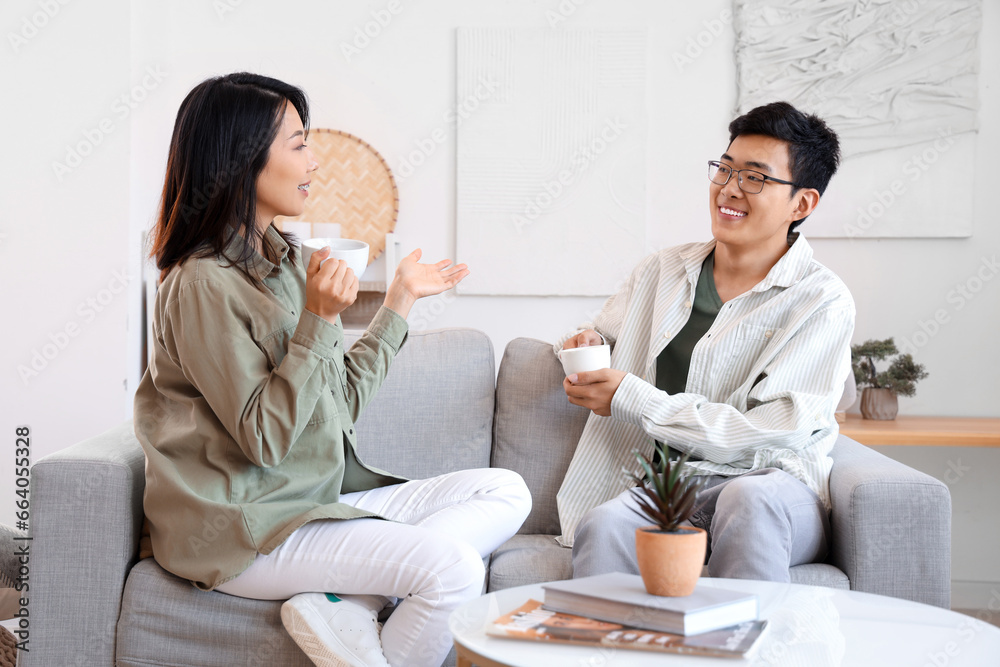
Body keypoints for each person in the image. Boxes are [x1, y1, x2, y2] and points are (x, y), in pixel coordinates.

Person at [133, 72, 531, 667]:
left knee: (505, 488)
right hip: (246, 528)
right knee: (452, 570)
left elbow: (337, 404)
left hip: (311, 502)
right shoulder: (201, 284)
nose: (314, 162)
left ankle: (347, 605)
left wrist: (397, 303)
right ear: (242, 159)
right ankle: (355, 603)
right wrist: (319, 318)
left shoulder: (291, 261)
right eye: (298, 144)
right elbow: (265, 438)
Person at [555, 101, 854, 582]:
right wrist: (582, 343)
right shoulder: (663, 271)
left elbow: (774, 432)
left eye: (755, 177)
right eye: (726, 169)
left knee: (748, 499)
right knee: (605, 524)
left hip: (770, 484)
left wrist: (634, 398)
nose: (730, 189)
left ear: (802, 204)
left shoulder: (821, 301)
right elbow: (598, 337)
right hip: (672, 489)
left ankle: (744, 656)